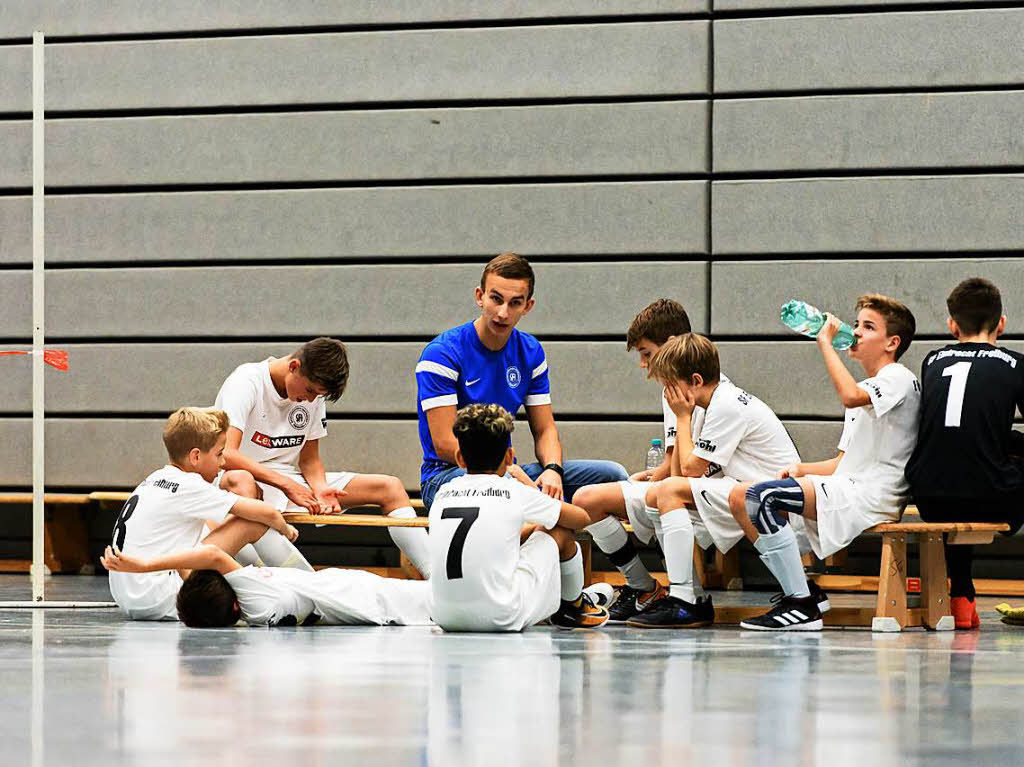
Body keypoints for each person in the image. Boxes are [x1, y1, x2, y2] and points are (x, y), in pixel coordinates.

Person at [729, 294, 919, 631]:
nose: (856, 333)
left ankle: (801, 606)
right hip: (850, 486)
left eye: (868, 327)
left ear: (892, 342)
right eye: (857, 324)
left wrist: (825, 343)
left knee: (763, 498)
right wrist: (803, 470)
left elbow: (849, 395)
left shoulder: (897, 378)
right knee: (742, 497)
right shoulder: (867, 386)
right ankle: (803, 591)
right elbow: (843, 463)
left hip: (876, 494)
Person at [415, 252, 628, 510]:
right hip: (447, 476)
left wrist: (552, 470)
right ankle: (553, 534)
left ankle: (621, 551)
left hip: (509, 471)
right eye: (496, 299)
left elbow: (545, 429)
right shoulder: (442, 353)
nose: (503, 312)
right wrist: (508, 478)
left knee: (612, 476)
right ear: (479, 297)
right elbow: (445, 443)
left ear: (528, 306)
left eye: (515, 303)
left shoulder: (531, 352)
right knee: (512, 491)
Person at [623, 334, 806, 628]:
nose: (668, 395)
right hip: (749, 496)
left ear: (695, 381)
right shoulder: (717, 401)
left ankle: (684, 600)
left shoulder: (725, 404)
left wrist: (681, 417)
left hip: (774, 506)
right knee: (659, 495)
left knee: (668, 490)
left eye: (672, 386)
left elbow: (690, 470)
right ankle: (685, 594)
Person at [214, 336, 431, 577]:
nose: (310, 400)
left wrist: (320, 488)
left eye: (318, 395)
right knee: (242, 482)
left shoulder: (313, 396)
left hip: (285, 479)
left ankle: (438, 579)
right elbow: (226, 454)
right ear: (294, 366)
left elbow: (309, 460)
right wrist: (286, 485)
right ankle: (290, 578)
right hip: (234, 481)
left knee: (388, 487)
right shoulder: (246, 381)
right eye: (309, 391)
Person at [574, 299, 714, 621]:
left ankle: (687, 597)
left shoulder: (703, 387)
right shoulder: (670, 389)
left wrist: (664, 480)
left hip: (715, 490)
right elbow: (674, 459)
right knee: (587, 499)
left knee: (660, 496)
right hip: (685, 483)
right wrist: (655, 474)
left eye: (647, 353)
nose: (642, 363)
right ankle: (643, 589)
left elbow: (690, 470)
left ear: (671, 347)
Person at [108, 407, 306, 620]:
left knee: (212, 526)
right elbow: (266, 513)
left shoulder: (155, 479)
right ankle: (307, 583)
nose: (222, 463)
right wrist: (286, 528)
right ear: (195, 456)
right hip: (162, 595)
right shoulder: (189, 485)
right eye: (219, 454)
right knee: (251, 523)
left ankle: (267, 578)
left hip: (129, 595)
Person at [906, 278, 1024, 629]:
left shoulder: (933, 361)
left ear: (952, 325)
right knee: (981, 469)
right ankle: (962, 596)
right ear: (1001, 323)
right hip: (988, 495)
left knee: (963, 465)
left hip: (929, 496)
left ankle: (962, 597)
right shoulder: (1015, 364)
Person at [428, 403, 609, 632]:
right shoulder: (514, 491)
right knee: (558, 529)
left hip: (444, 616)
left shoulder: (443, 492)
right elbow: (581, 518)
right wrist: (527, 482)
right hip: (500, 615)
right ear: (510, 456)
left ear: (460, 458)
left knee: (529, 532)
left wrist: (531, 531)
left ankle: (567, 601)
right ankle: (574, 607)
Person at [102, 542, 433, 628]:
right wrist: (144, 565)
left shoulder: (252, 616)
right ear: (234, 602)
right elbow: (214, 555)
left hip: (362, 605)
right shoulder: (252, 596)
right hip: (364, 592)